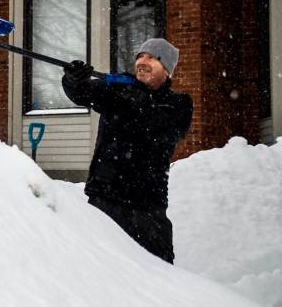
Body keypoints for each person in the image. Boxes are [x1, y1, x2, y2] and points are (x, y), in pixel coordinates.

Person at [61, 38, 193, 263]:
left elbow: (163, 129)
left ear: (167, 71)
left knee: (160, 273)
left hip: (148, 207)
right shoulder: (117, 89)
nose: (143, 61)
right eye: (140, 56)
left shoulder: (178, 103)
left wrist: (138, 101)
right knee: (98, 267)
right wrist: (74, 80)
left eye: (152, 57)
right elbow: (83, 93)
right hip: (104, 199)